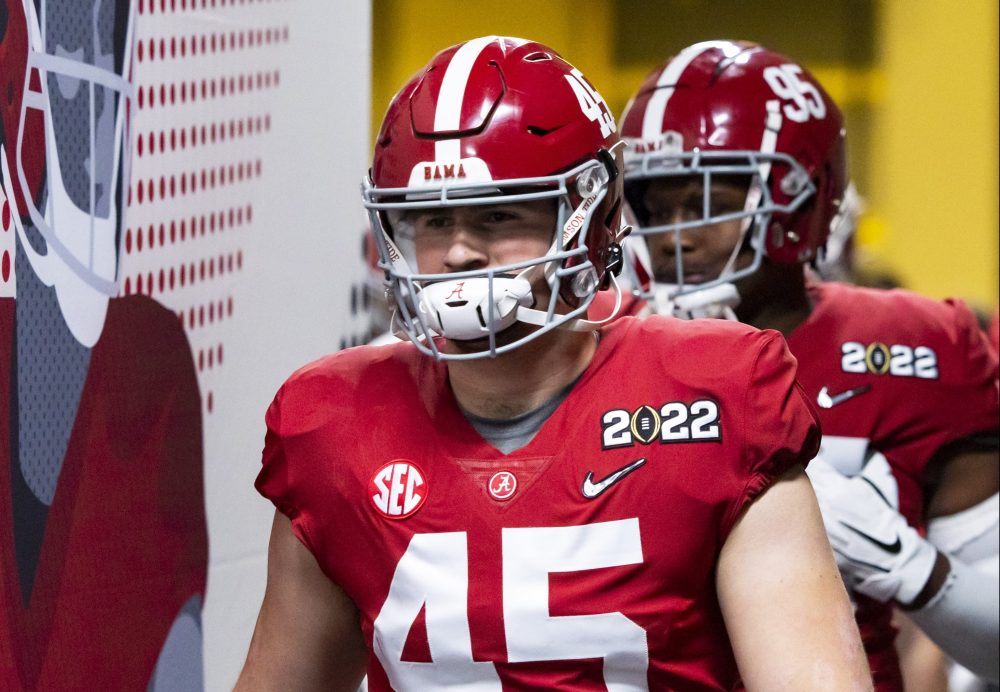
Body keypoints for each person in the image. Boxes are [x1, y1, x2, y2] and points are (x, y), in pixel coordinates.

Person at [236, 35, 870, 691]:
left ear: (588, 217)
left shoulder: (720, 393)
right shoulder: (333, 422)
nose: (457, 254)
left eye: (497, 215)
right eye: (431, 220)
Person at [617, 39, 999, 691]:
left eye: (707, 201)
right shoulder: (598, 343)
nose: (675, 234)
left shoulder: (922, 351)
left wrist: (913, 569)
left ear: (798, 195)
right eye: (656, 207)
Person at [0, 1, 207, 689]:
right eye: (66, 80)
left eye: (103, 63)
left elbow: (179, 645)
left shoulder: (150, 362)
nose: (94, 127)